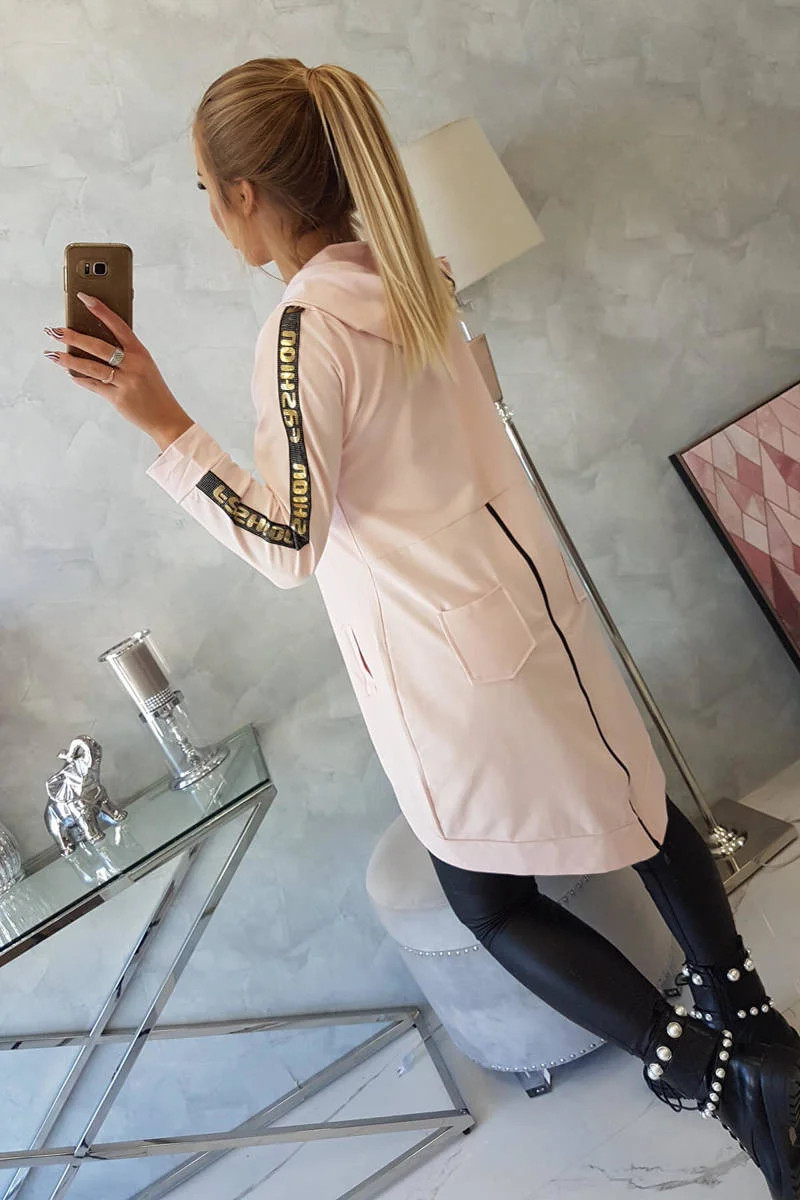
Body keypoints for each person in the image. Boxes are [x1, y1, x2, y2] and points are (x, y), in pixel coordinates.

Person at [42, 56, 800, 1199]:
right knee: (636, 805)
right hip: (530, 612)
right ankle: (761, 1040)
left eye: (205, 188)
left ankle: (711, 1075)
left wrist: (163, 424)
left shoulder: (304, 330)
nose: (207, 213)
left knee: (485, 898)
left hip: (451, 663)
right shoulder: (411, 274)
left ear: (246, 193)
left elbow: (286, 542)